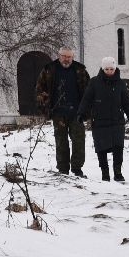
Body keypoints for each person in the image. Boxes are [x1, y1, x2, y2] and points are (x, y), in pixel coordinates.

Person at [78, 56, 129, 182]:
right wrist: (81, 114)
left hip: (117, 121)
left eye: (111, 68)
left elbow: (126, 103)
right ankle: (105, 173)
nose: (109, 71)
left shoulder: (121, 83)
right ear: (102, 68)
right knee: (101, 149)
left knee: (118, 148)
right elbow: (86, 99)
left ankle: (118, 173)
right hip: (99, 121)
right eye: (107, 69)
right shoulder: (94, 82)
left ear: (115, 68)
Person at [34, 47, 90, 176]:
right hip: (58, 113)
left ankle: (77, 168)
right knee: (61, 141)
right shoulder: (49, 69)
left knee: (79, 141)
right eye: (64, 56)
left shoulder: (80, 70)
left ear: (72, 57)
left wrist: (87, 110)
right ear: (59, 56)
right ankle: (63, 169)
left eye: (69, 57)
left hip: (77, 113)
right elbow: (39, 89)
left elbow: (89, 91)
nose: (67, 59)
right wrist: (44, 106)